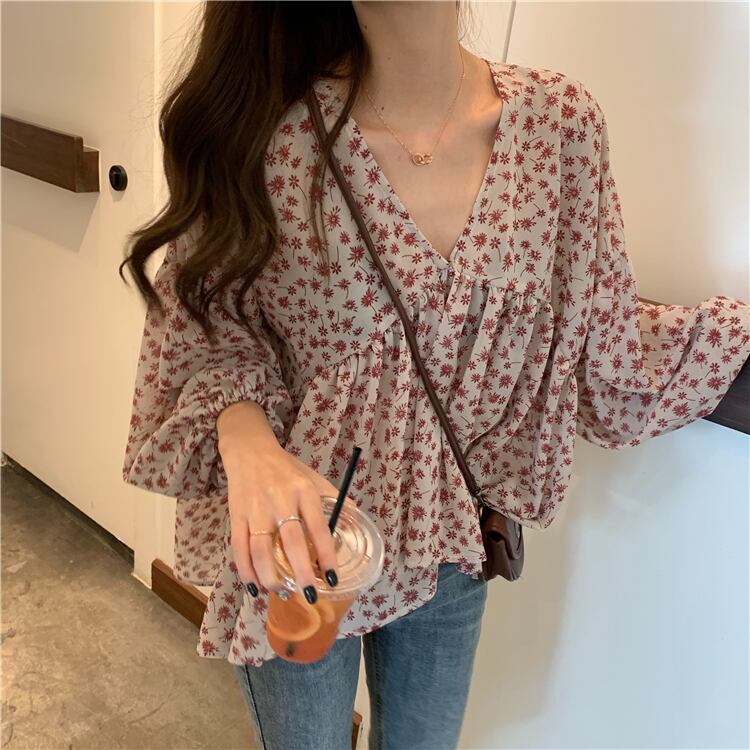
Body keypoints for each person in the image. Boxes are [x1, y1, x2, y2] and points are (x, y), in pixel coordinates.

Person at [119, 3, 750, 749]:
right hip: (298, 543)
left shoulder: (559, 129)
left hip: (450, 535)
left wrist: (728, 337)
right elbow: (209, 334)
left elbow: (599, 345)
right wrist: (249, 444)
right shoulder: (265, 133)